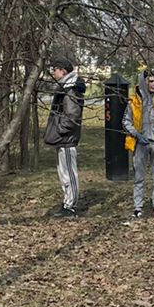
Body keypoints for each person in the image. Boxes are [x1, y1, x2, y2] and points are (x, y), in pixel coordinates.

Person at [124, 68, 154, 219]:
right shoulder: (134, 101)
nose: (153, 84)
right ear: (143, 83)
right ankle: (137, 208)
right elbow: (126, 122)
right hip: (140, 144)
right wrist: (137, 134)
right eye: (150, 81)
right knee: (139, 178)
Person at [45, 58, 87, 216]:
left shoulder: (70, 90)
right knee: (64, 174)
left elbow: (72, 116)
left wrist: (60, 130)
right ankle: (67, 203)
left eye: (55, 70)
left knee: (69, 174)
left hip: (67, 139)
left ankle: (71, 206)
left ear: (63, 71)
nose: (54, 73)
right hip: (63, 139)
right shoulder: (66, 88)